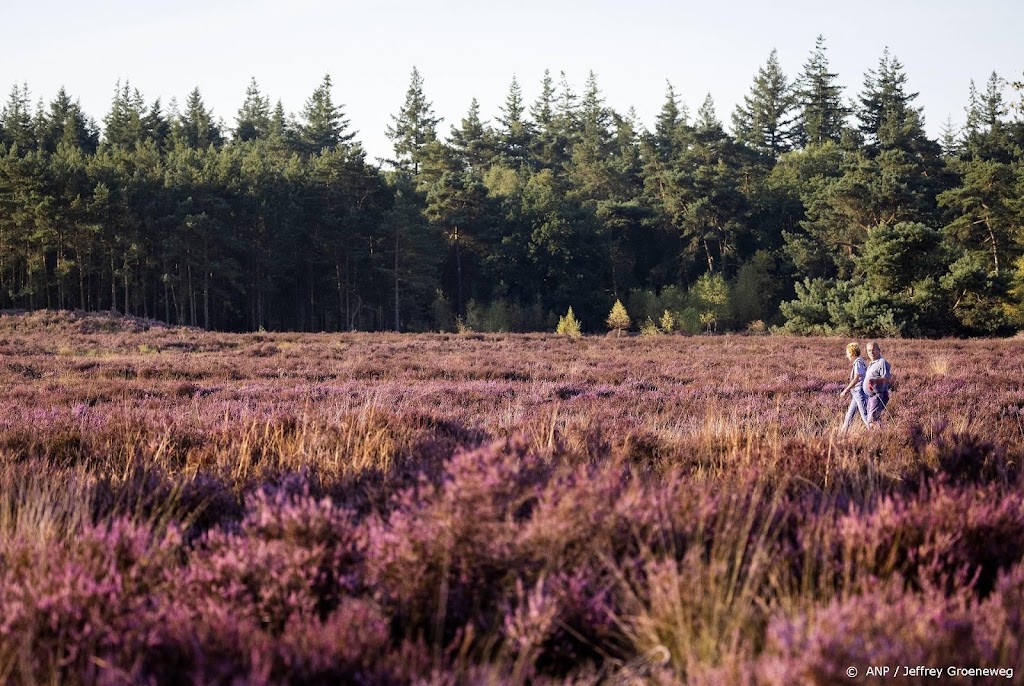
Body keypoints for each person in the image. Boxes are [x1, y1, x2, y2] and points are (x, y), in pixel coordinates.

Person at [839, 342, 869, 431]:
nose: (846, 355)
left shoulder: (858, 362)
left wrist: (846, 390)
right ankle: (842, 434)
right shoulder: (860, 361)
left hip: (859, 393)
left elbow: (856, 378)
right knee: (849, 415)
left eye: (847, 353)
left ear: (852, 353)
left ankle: (876, 433)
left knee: (865, 416)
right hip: (856, 393)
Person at [862, 340, 892, 427]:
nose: (871, 352)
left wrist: (875, 381)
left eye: (873, 350)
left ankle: (876, 437)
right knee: (874, 419)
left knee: (872, 420)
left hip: (878, 395)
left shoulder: (881, 362)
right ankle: (882, 435)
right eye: (869, 351)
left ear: (879, 350)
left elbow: (886, 378)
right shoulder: (872, 363)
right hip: (871, 396)